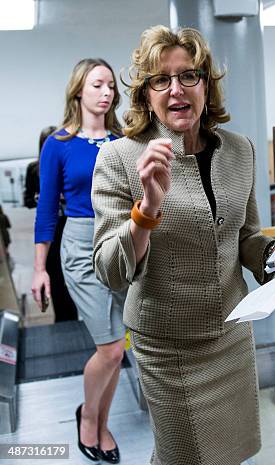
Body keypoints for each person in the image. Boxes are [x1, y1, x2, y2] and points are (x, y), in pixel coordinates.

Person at [92, 25, 275, 465]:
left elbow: (246, 235)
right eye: (160, 80)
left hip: (231, 334)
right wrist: (148, 207)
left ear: (206, 85)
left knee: (229, 451)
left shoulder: (240, 149)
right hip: (169, 345)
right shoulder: (119, 158)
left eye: (188, 75)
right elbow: (110, 270)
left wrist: (274, 256)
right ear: (145, 95)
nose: (176, 90)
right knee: (183, 456)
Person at [31, 58, 126, 464]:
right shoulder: (58, 144)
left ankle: (103, 424)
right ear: (78, 92)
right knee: (109, 347)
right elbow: (47, 210)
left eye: (110, 86)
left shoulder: (123, 140)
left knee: (119, 349)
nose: (106, 92)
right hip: (81, 245)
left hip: (122, 242)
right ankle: (88, 417)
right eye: (97, 85)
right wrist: (39, 269)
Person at [25, 126, 78, 322]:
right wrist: (45, 198)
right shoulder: (34, 169)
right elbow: (28, 200)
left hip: (70, 222)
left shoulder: (66, 161)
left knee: (75, 269)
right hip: (52, 226)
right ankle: (65, 317)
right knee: (55, 273)